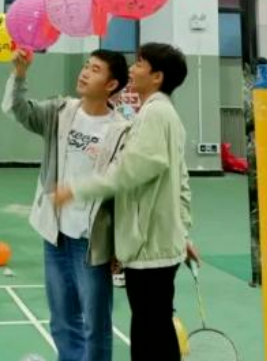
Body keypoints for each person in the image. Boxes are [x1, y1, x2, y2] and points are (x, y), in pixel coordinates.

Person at [55, 43, 200, 361]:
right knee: (154, 329)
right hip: (159, 245)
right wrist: (181, 232)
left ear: (157, 77)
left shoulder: (155, 114)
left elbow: (130, 171)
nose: (132, 70)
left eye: (140, 64)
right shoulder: (161, 113)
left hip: (150, 249)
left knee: (151, 336)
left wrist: (78, 189)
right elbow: (181, 182)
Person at [2, 49, 130, 361]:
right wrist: (19, 74)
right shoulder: (61, 112)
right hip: (56, 236)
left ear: (111, 84)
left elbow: (124, 192)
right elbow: (17, 109)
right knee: (61, 320)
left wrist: (119, 246)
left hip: (92, 243)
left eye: (95, 70)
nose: (84, 72)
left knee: (96, 325)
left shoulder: (122, 130)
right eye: (86, 66)